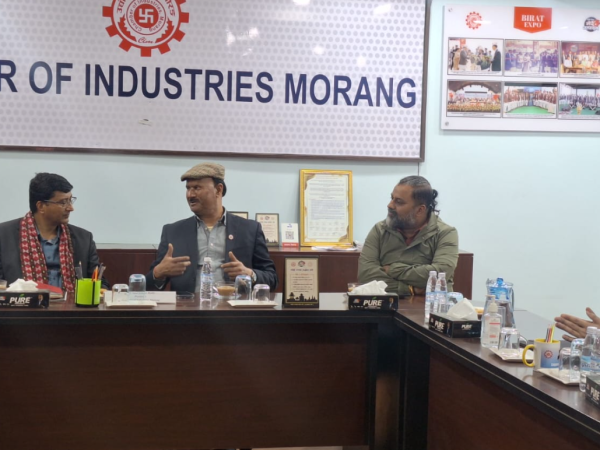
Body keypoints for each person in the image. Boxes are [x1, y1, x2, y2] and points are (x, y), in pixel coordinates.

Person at [147, 162, 277, 293]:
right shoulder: (173, 232)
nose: (190, 195)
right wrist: (158, 273)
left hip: (234, 305)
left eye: (197, 188)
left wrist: (250, 274)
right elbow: (148, 285)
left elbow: (272, 278)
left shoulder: (250, 230)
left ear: (218, 190)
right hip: (187, 305)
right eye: (188, 188)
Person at [0, 173, 108, 291]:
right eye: (63, 202)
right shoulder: (4, 236)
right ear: (41, 206)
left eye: (70, 200)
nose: (71, 208)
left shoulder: (84, 239)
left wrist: (101, 290)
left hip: (72, 303)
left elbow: (99, 282)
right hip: (22, 303)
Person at [358, 176, 459, 296]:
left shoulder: (445, 233)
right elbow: (366, 275)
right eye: (392, 198)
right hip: (386, 304)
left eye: (399, 202)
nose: (390, 205)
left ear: (420, 210)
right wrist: (410, 289)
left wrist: (393, 269)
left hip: (431, 304)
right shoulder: (380, 230)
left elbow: (439, 275)